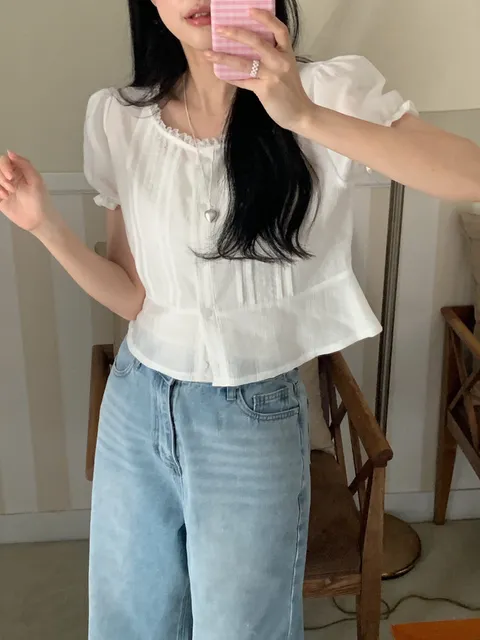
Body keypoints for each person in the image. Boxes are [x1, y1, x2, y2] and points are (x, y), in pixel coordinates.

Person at [1, 0, 480, 638]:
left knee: (242, 628)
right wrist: (46, 227)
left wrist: (301, 114)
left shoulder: (325, 89)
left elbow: (470, 174)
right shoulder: (119, 116)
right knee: (127, 623)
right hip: (136, 403)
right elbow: (134, 298)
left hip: (250, 415)